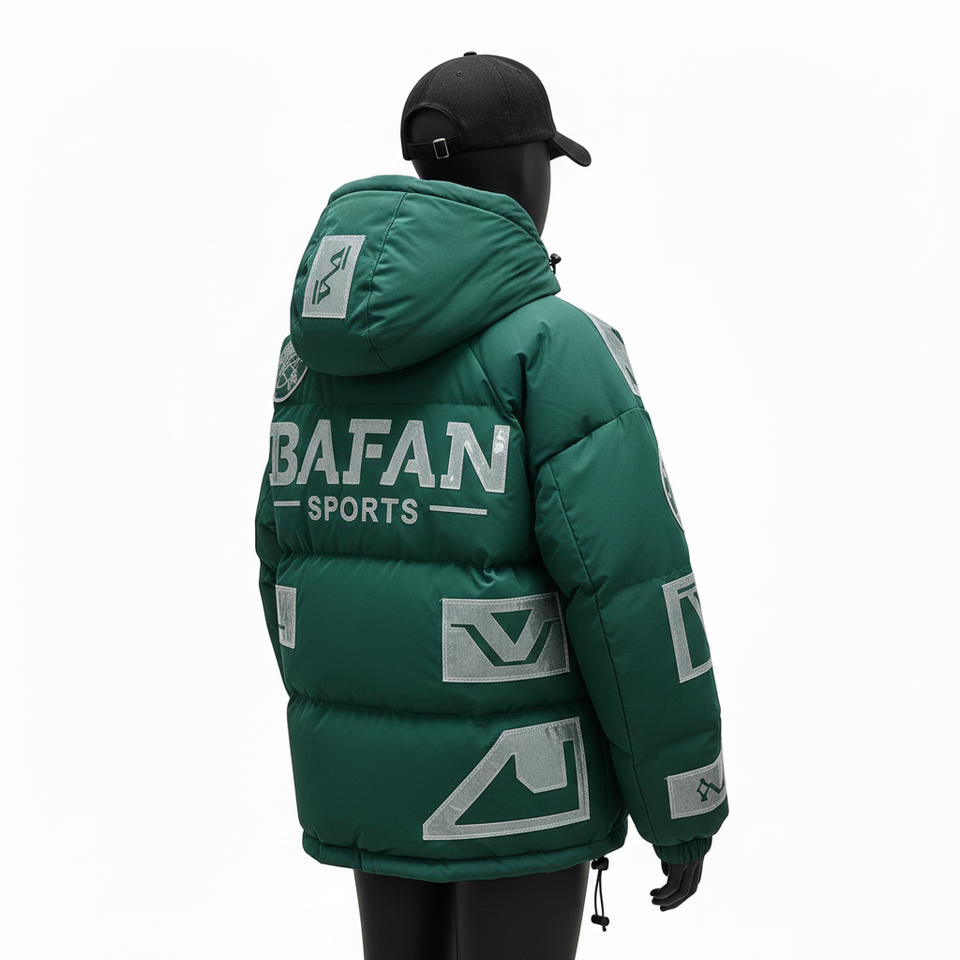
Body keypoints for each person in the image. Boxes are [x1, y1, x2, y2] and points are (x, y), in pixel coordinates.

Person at [256, 53, 727, 960]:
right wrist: (682, 804)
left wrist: (350, 728)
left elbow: (280, 561)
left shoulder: (313, 356)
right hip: (518, 787)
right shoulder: (555, 347)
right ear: (524, 172)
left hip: (368, 784)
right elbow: (630, 596)